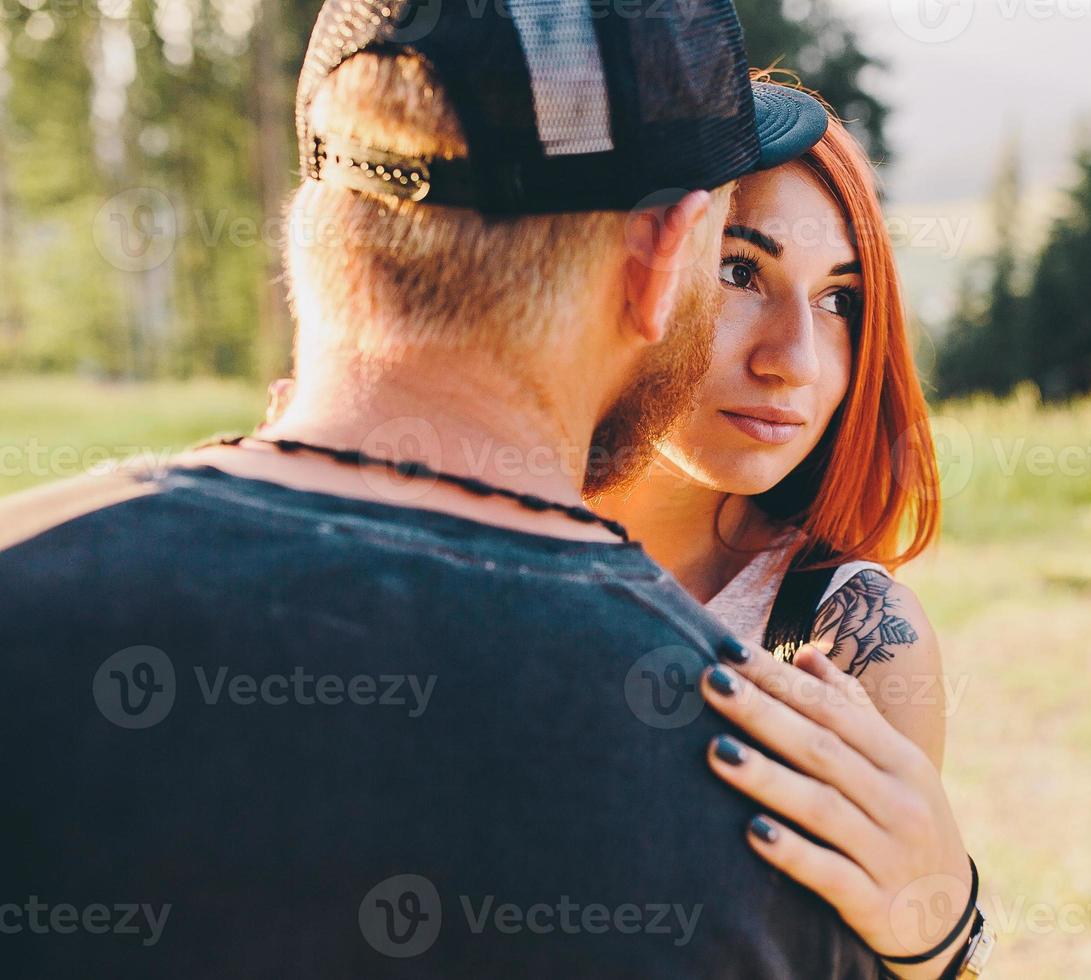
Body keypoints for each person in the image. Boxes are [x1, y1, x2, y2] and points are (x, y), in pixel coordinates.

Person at [0, 3, 922, 976]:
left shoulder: (26, 577)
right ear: (661, 259)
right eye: (730, 261)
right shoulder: (766, 789)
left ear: (316, 230)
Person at [596, 92, 996, 976]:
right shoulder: (463, 545)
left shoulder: (851, 637)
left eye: (840, 300)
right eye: (741, 273)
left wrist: (938, 944)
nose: (797, 360)